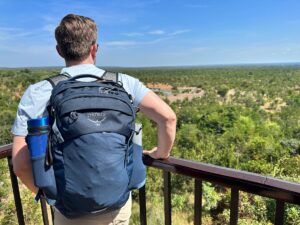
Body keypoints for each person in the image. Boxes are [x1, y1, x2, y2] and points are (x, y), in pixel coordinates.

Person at [11, 14, 176, 225]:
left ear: (59, 51)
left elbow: (21, 165)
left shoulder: (38, 92)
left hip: (69, 210)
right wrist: (160, 154)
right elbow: (168, 118)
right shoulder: (124, 83)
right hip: (117, 204)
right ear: (94, 48)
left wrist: (54, 197)